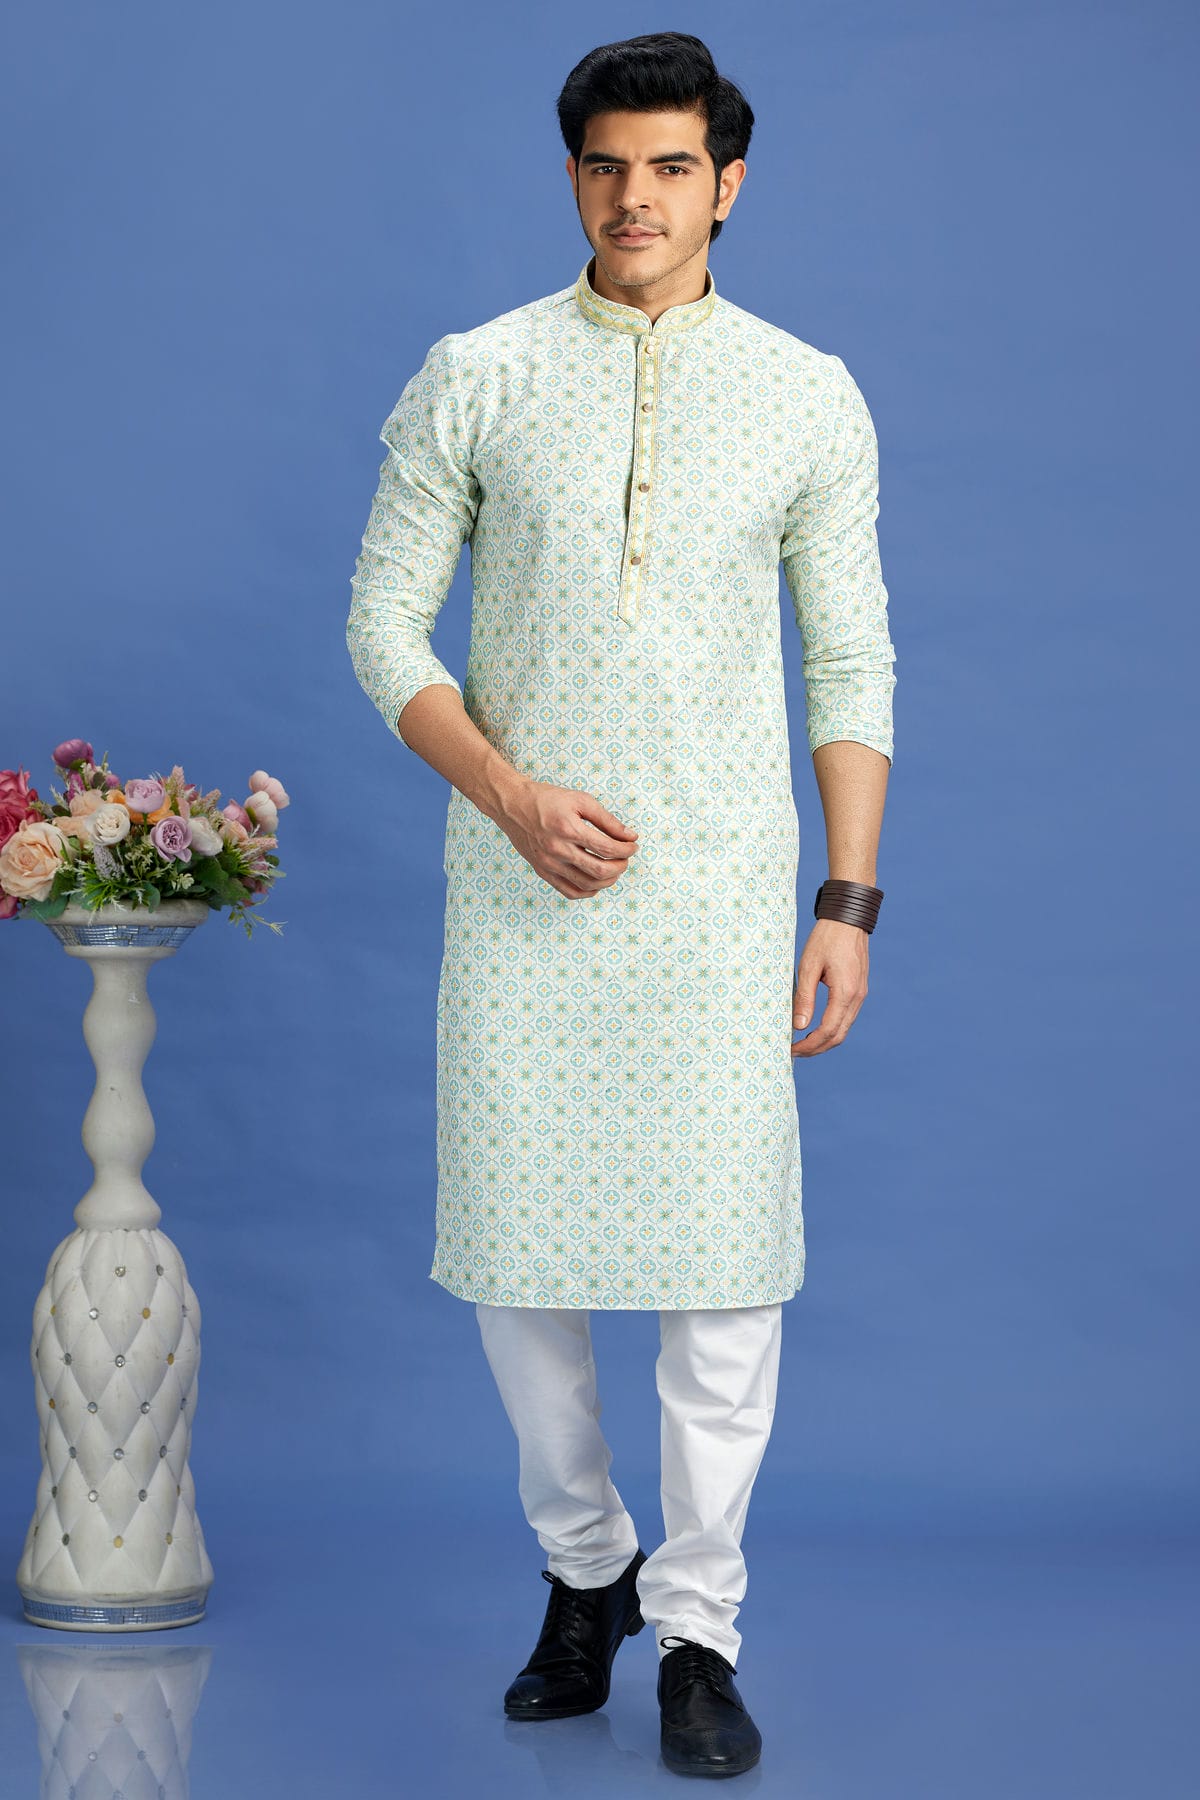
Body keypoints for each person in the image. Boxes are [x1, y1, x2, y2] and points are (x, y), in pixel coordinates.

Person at [346, 30, 896, 1781]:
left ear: (727, 183)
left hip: (722, 908)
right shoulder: (480, 374)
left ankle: (701, 1634)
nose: (633, 198)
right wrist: (510, 797)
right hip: (523, 900)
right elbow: (381, 626)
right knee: (524, 1278)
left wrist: (847, 898)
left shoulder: (807, 393)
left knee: (723, 1290)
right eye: (605, 165)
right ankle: (587, 1574)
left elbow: (853, 663)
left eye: (669, 167)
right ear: (571, 175)